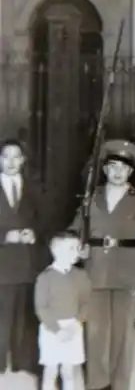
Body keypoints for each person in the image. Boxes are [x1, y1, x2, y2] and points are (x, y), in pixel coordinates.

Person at [68, 139, 135, 390]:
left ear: (131, 172)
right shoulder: (90, 197)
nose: (118, 172)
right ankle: (97, 383)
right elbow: (75, 230)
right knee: (95, 332)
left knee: (122, 334)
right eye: (113, 166)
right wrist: (75, 248)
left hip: (127, 272)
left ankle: (119, 384)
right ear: (105, 169)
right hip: (94, 270)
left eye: (124, 168)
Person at [0, 138, 44, 376]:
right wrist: (6, 236)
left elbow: (45, 218)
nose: (11, 162)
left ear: (23, 160)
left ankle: (21, 360)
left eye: (16, 157)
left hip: (27, 262)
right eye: (5, 156)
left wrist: (34, 233)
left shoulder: (33, 187)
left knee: (24, 314)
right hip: (2, 261)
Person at [35, 230, 91, 390]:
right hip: (51, 329)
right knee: (50, 370)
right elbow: (41, 307)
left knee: (69, 371)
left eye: (78, 248)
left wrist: (77, 323)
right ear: (56, 251)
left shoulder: (80, 275)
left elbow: (86, 302)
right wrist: (57, 330)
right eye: (71, 248)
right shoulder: (45, 278)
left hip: (73, 327)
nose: (77, 253)